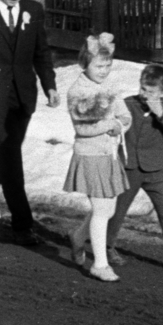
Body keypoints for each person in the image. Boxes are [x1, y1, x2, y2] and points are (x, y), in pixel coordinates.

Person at [0, 0, 58, 244]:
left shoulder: (33, 10)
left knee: (5, 154)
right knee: (9, 153)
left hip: (24, 96)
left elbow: (41, 52)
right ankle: (22, 223)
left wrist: (49, 85)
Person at [62, 34, 132, 282]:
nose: (104, 71)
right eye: (98, 66)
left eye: (108, 65)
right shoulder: (77, 91)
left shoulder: (111, 86)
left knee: (108, 208)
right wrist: (109, 125)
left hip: (109, 154)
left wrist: (120, 126)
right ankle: (99, 264)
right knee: (103, 209)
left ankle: (79, 237)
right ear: (85, 64)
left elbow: (125, 115)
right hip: (90, 154)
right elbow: (83, 128)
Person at [107, 63, 163, 273]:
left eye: (151, 91)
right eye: (142, 88)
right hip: (130, 167)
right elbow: (115, 126)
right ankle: (107, 246)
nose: (144, 94)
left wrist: (159, 112)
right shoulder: (128, 103)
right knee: (118, 208)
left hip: (154, 170)